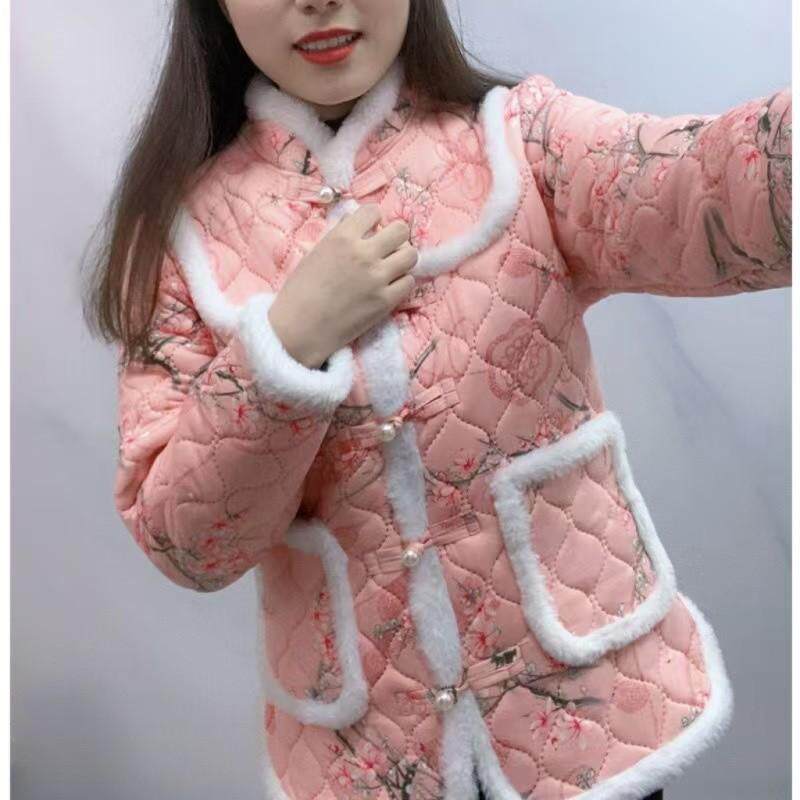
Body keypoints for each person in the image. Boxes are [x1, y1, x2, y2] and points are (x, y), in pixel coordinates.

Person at [82, 0, 791, 797]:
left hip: (591, 737)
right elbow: (188, 542)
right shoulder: (178, 240)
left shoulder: (520, 141)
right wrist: (285, 344)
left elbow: (708, 188)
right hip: (366, 763)